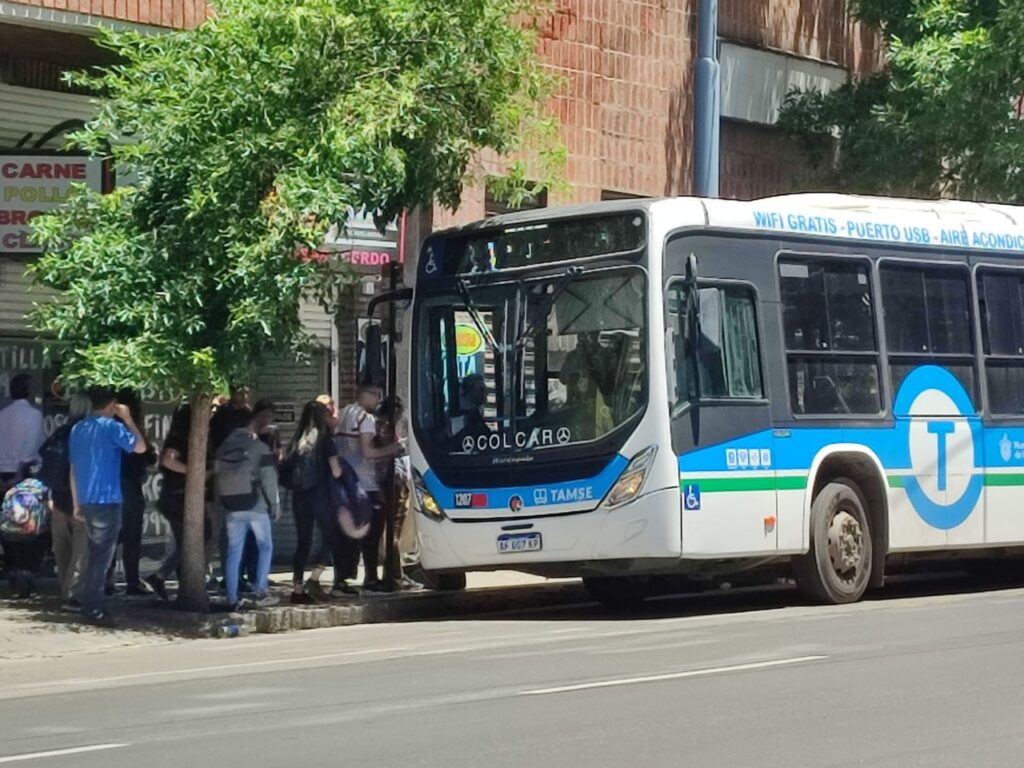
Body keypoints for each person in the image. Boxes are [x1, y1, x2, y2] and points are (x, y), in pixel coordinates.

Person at [69, 386, 147, 625]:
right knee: (100, 558)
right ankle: (92, 608)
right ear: (112, 405)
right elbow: (140, 447)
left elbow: (72, 469)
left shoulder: (77, 428)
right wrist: (128, 418)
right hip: (107, 499)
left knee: (95, 555)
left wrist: (76, 503)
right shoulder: (112, 427)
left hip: (87, 498)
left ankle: (85, 599)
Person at [337, 385, 402, 591]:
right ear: (363, 394)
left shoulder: (346, 412)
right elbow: (367, 453)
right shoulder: (366, 418)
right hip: (366, 482)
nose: (377, 399)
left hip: (346, 481)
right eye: (374, 394)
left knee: (351, 532)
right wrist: (392, 449)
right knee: (373, 534)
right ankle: (371, 577)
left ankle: (344, 575)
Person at [214, 409, 280, 610]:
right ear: (250, 424)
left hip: (231, 506)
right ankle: (261, 591)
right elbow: (269, 479)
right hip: (255, 504)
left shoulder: (222, 448)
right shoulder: (258, 447)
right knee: (265, 546)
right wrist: (274, 504)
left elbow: (216, 476)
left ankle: (232, 598)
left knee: (233, 551)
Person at [285, 400, 343, 603]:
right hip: (320, 496)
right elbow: (336, 471)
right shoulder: (325, 440)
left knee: (303, 542)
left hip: (299, 497)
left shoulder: (295, 440)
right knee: (331, 536)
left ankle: (297, 590)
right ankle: (315, 578)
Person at [40, 394, 90, 608]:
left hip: (58, 499)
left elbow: (45, 458)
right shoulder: (86, 433)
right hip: (79, 500)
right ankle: (72, 595)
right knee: (81, 552)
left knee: (62, 551)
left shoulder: (61, 432)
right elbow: (76, 469)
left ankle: (66, 590)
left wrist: (49, 495)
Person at [109, 390, 156, 596]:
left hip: (114, 486)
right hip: (129, 485)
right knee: (131, 536)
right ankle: (132, 581)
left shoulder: (109, 427)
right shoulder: (129, 429)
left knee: (111, 537)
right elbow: (145, 455)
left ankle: (108, 580)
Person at [374, 395, 421, 591]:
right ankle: (395, 574)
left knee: (393, 531)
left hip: (388, 481)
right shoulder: (387, 427)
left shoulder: (379, 426)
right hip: (393, 482)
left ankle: (394, 573)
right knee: (394, 532)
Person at [0, 373, 45, 487]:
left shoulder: (3, 414)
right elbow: (30, 445)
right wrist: (20, 471)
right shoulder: (34, 414)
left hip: (3, 468)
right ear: (28, 390)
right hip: (24, 471)